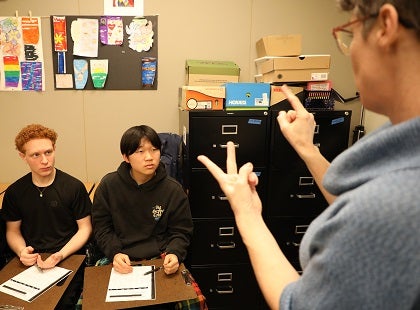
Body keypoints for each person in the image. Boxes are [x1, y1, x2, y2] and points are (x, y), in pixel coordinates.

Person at [198, 1, 420, 309]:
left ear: (385, 26)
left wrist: (247, 215)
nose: (351, 49)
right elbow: (354, 201)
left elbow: (296, 304)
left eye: (351, 34)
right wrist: (307, 148)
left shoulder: (388, 210)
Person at [92, 125, 205, 309]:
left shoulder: (172, 189)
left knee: (193, 302)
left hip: (160, 257)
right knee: (90, 301)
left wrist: (175, 253)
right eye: (140, 151)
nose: (149, 157)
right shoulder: (108, 186)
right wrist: (114, 253)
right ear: (125, 157)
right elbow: (102, 228)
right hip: (120, 256)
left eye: (154, 150)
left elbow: (181, 232)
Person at [1, 124, 93, 308]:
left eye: (49, 152)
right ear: (23, 156)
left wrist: (60, 254)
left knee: (60, 304)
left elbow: (85, 228)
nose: (45, 160)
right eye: (36, 155)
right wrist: (21, 251)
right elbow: (12, 230)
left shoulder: (73, 187)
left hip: (68, 257)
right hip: (30, 261)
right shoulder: (15, 192)